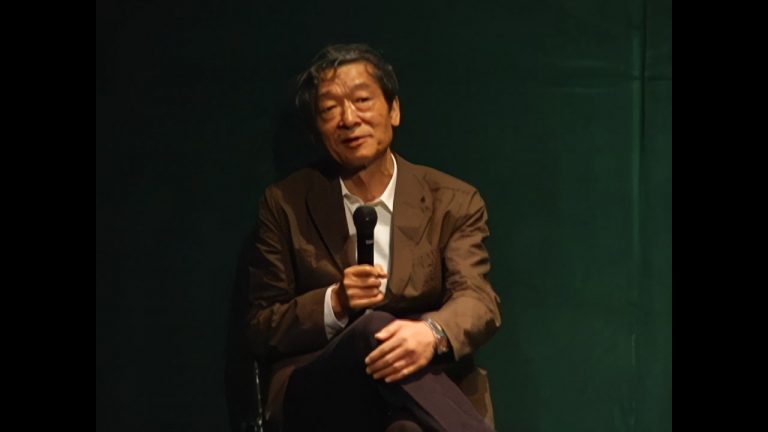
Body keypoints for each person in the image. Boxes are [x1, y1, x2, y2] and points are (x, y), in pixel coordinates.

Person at [247, 43, 501, 432]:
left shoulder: (452, 200)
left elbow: (478, 300)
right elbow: (261, 326)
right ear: (316, 130)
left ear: (394, 110)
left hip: (418, 382)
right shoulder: (285, 204)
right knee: (372, 329)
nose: (349, 119)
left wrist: (430, 334)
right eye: (329, 109)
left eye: (362, 100)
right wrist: (335, 302)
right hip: (319, 386)